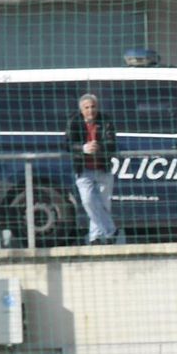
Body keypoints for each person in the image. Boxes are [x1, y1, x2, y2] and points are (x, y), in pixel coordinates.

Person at [65, 93, 119, 245]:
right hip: (83, 169)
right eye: (87, 107)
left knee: (102, 204)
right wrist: (83, 148)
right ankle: (110, 231)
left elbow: (112, 142)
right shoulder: (74, 121)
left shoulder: (105, 121)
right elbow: (67, 144)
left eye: (93, 106)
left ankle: (95, 237)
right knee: (88, 201)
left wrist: (99, 147)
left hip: (103, 168)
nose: (90, 110)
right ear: (81, 110)